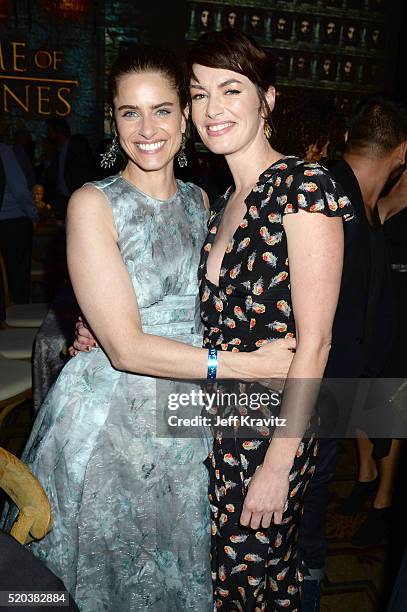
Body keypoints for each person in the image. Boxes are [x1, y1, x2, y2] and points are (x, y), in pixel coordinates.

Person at [1, 44, 295, 612]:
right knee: (104, 579)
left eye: (162, 109)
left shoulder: (203, 200)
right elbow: (127, 347)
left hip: (185, 417)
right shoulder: (93, 203)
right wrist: (248, 367)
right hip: (112, 422)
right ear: (112, 120)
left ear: (186, 116)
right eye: (129, 112)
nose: (147, 128)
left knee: (169, 567)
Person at [187, 29, 353, 610]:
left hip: (268, 431)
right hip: (210, 418)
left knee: (248, 581)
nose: (212, 109)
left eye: (231, 90)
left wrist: (279, 464)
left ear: (269, 100)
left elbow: (317, 343)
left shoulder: (304, 187)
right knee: (221, 579)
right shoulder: (219, 201)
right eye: (199, 93)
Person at [299, 97, 407, 611]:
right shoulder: (329, 197)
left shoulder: (366, 205)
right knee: (300, 515)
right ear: (401, 152)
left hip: (334, 393)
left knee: (309, 510)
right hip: (308, 393)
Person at [0, 122, 38, 304]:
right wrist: (33, 215)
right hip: (13, 222)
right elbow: (20, 190)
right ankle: (18, 315)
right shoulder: (4, 152)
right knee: (17, 280)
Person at [42, 117, 95, 217]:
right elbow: (51, 179)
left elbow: (85, 172)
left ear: (58, 132)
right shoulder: (56, 152)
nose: (47, 135)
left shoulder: (76, 146)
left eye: (49, 131)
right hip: (63, 201)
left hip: (79, 200)